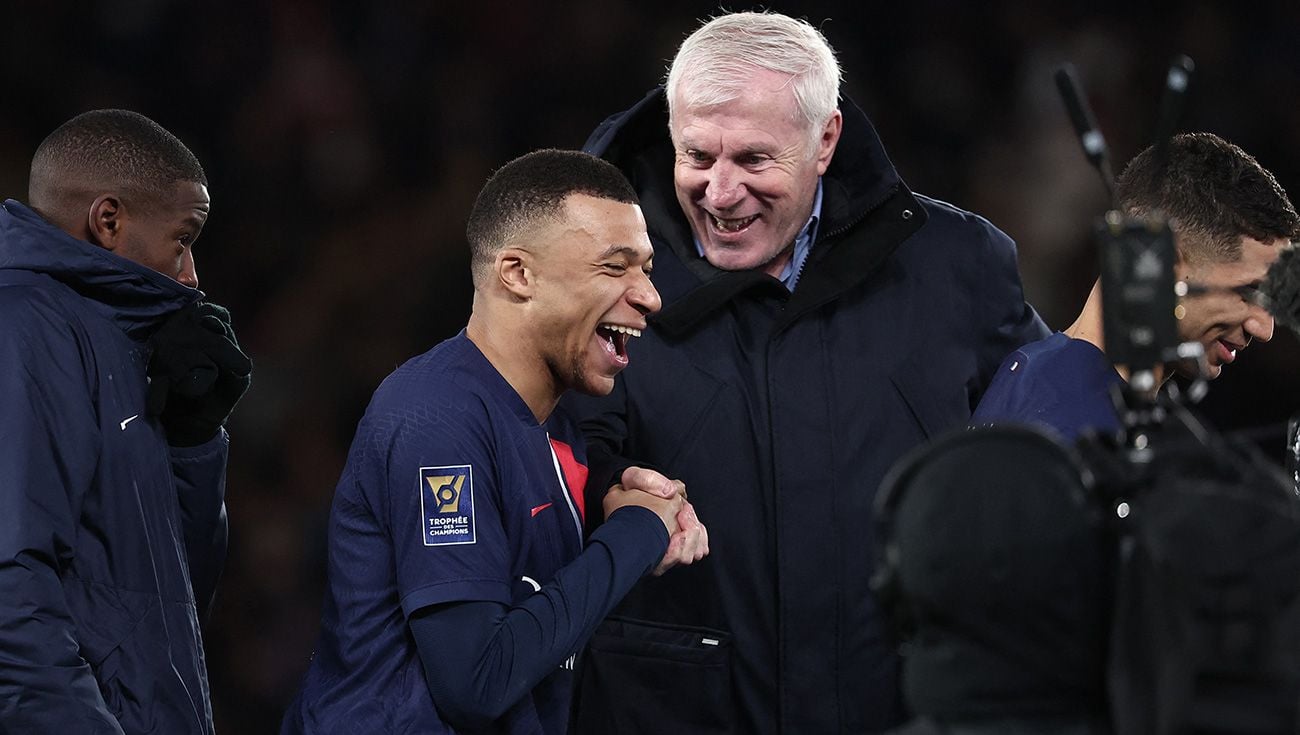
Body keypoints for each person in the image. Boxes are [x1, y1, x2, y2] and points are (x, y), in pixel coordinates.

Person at [561, 11, 1049, 734]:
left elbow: (1042, 448)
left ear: (825, 141)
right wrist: (606, 488)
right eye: (698, 155)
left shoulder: (959, 266)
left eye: (754, 161)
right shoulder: (590, 274)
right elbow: (545, 450)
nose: (721, 194)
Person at [281, 149, 708, 735]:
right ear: (518, 275)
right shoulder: (438, 421)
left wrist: (613, 493)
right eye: (615, 267)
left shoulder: (553, 427)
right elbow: (477, 680)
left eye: (647, 269)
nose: (650, 297)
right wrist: (637, 532)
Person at [0, 110, 251, 734]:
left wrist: (193, 442)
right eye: (184, 238)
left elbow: (171, 598)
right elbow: (11, 580)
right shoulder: (24, 327)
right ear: (108, 220)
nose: (192, 275)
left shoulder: (114, 343)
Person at [972, 132, 1299, 440]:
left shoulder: (1054, 384)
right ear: (1155, 262)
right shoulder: (1071, 432)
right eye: (1251, 291)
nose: (1265, 328)